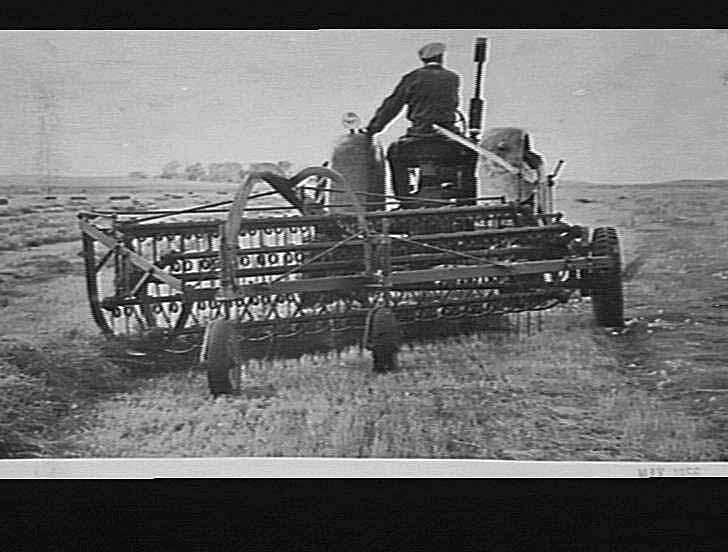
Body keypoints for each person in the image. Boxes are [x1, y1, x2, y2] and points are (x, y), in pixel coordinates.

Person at [365, 42, 470, 205]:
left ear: (423, 60)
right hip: (448, 141)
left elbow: (393, 105)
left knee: (394, 154)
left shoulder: (413, 77)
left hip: (418, 137)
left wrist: (373, 129)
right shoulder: (452, 77)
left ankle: (405, 201)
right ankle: (466, 204)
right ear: (442, 58)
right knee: (470, 155)